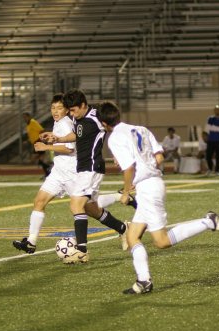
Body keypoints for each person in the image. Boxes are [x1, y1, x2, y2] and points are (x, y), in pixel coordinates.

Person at [98, 100, 219, 295]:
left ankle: (208, 222)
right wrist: (146, 171)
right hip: (152, 184)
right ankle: (143, 281)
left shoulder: (114, 138)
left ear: (103, 124)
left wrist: (126, 192)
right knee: (132, 236)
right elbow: (159, 157)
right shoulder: (141, 129)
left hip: (148, 189)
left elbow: (128, 168)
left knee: (161, 241)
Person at [13, 94, 136, 255]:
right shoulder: (70, 120)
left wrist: (47, 147)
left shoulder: (73, 121)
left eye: (60, 108)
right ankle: (31, 241)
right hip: (58, 172)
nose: (56, 111)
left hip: (73, 173)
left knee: (91, 209)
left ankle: (118, 222)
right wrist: (55, 138)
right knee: (40, 201)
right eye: (53, 107)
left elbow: (70, 148)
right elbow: (73, 137)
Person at [41, 89, 128, 263]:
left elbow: (116, 129)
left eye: (73, 110)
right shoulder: (77, 117)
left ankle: (81, 251)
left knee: (75, 205)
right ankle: (123, 228)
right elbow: (76, 134)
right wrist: (57, 138)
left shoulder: (97, 115)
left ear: (83, 105)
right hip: (82, 168)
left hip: (92, 167)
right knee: (90, 209)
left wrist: (119, 154)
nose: (71, 114)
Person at [22, 111, 52, 178]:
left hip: (39, 142)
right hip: (35, 143)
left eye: (25, 117)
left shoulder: (33, 122)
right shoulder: (28, 125)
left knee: (33, 159)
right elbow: (32, 135)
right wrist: (27, 141)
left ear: (29, 116)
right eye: (23, 117)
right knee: (41, 160)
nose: (24, 119)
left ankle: (50, 167)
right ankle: (47, 174)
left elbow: (41, 130)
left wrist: (43, 140)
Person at [205, 105, 219, 176]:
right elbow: (208, 128)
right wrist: (217, 128)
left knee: (218, 156)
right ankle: (210, 169)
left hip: (218, 140)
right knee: (208, 156)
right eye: (215, 110)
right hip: (210, 140)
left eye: (218, 109)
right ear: (214, 111)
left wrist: (213, 127)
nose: (217, 111)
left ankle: (217, 170)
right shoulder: (210, 119)